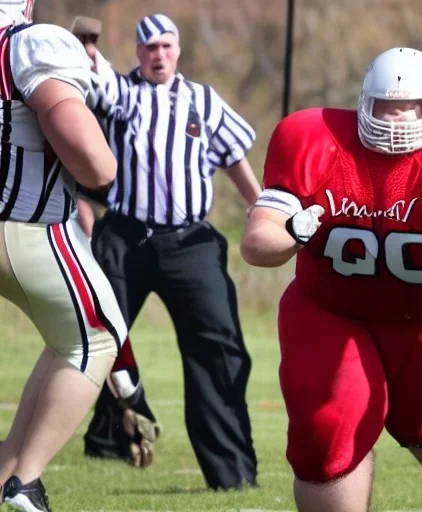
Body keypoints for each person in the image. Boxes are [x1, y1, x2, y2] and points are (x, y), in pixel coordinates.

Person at [240, 46, 422, 511]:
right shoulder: (314, 139)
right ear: (363, 101)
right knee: (327, 430)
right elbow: (257, 242)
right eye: (385, 106)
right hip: (330, 304)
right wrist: (289, 231)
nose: (397, 119)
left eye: (410, 107)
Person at [74, 13, 260, 489]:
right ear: (138, 54)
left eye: (166, 46)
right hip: (125, 236)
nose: (158, 55)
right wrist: (87, 50)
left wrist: (261, 208)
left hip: (189, 242)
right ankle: (112, 438)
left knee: (220, 352)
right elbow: (95, 80)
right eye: (149, 47)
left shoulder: (204, 101)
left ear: (178, 50)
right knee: (98, 336)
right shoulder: (122, 94)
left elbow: (235, 156)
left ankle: (232, 473)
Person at [0, 1, 126, 511]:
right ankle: (24, 481)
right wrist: (101, 169)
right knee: (99, 339)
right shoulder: (29, 43)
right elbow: (90, 157)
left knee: (66, 342)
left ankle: (8, 470)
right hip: (24, 226)